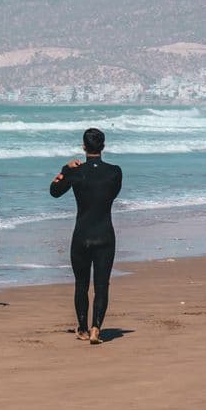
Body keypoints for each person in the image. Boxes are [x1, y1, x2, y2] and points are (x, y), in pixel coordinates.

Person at [50, 128, 122, 345]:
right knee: (102, 285)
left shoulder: (74, 172)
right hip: (105, 236)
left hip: (81, 236)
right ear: (103, 146)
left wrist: (65, 168)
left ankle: (81, 328)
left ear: (83, 147)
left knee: (81, 284)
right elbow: (112, 193)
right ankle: (95, 329)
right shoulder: (115, 172)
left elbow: (54, 191)